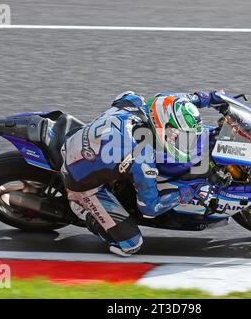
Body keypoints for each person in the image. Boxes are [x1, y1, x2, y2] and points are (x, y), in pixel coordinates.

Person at [60, 90, 226, 256]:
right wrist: (190, 191)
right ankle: (84, 211)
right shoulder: (141, 158)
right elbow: (151, 208)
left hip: (81, 139)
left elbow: (174, 101)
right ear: (160, 125)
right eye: (175, 134)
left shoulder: (134, 102)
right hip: (77, 180)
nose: (178, 138)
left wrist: (208, 98)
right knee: (131, 244)